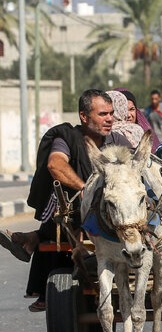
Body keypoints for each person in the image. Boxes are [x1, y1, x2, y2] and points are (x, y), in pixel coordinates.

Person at [1, 90, 132, 312]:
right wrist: (85, 188)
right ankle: (67, 246)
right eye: (102, 114)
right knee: (61, 196)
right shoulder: (68, 138)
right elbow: (55, 165)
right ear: (84, 116)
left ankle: (33, 239)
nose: (110, 119)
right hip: (78, 212)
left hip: (116, 213)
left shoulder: (117, 141)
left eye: (111, 113)